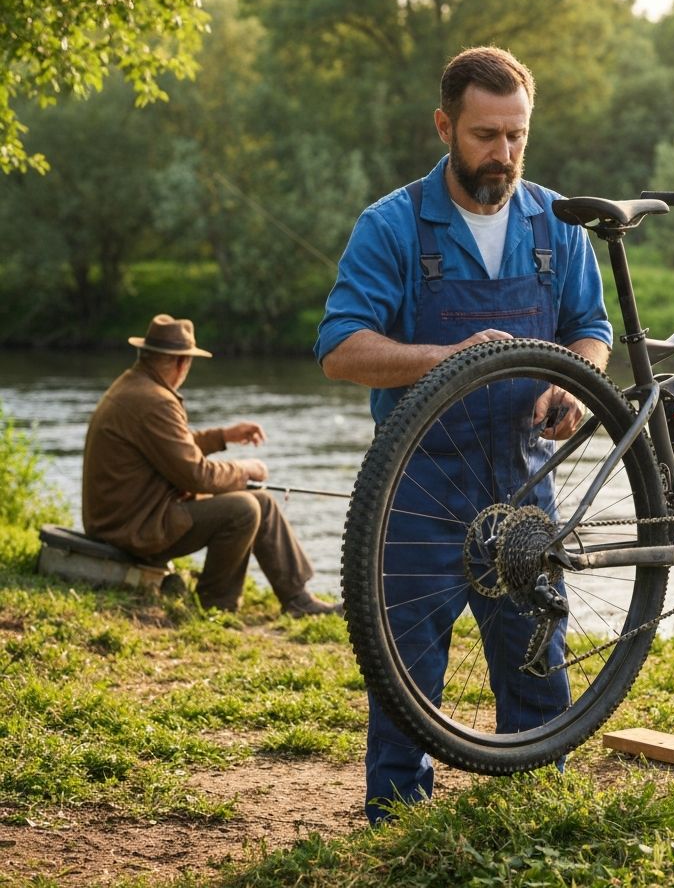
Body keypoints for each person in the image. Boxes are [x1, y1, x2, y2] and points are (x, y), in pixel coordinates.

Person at [315, 46, 613, 822]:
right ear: (445, 127)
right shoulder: (391, 226)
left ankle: (534, 815)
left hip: (523, 481)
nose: (503, 154)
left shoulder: (556, 224)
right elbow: (341, 348)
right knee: (405, 671)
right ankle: (400, 824)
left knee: (537, 660)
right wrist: (445, 358)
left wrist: (571, 379)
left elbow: (591, 329)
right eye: (485, 135)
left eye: (517, 136)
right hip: (416, 485)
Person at [82, 313, 341, 618]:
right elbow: (196, 475)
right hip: (132, 528)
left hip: (124, 518)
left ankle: (298, 599)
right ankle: (217, 605)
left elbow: (169, 446)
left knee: (263, 502)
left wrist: (223, 436)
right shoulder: (155, 401)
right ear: (182, 363)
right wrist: (246, 469)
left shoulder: (134, 386)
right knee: (243, 509)